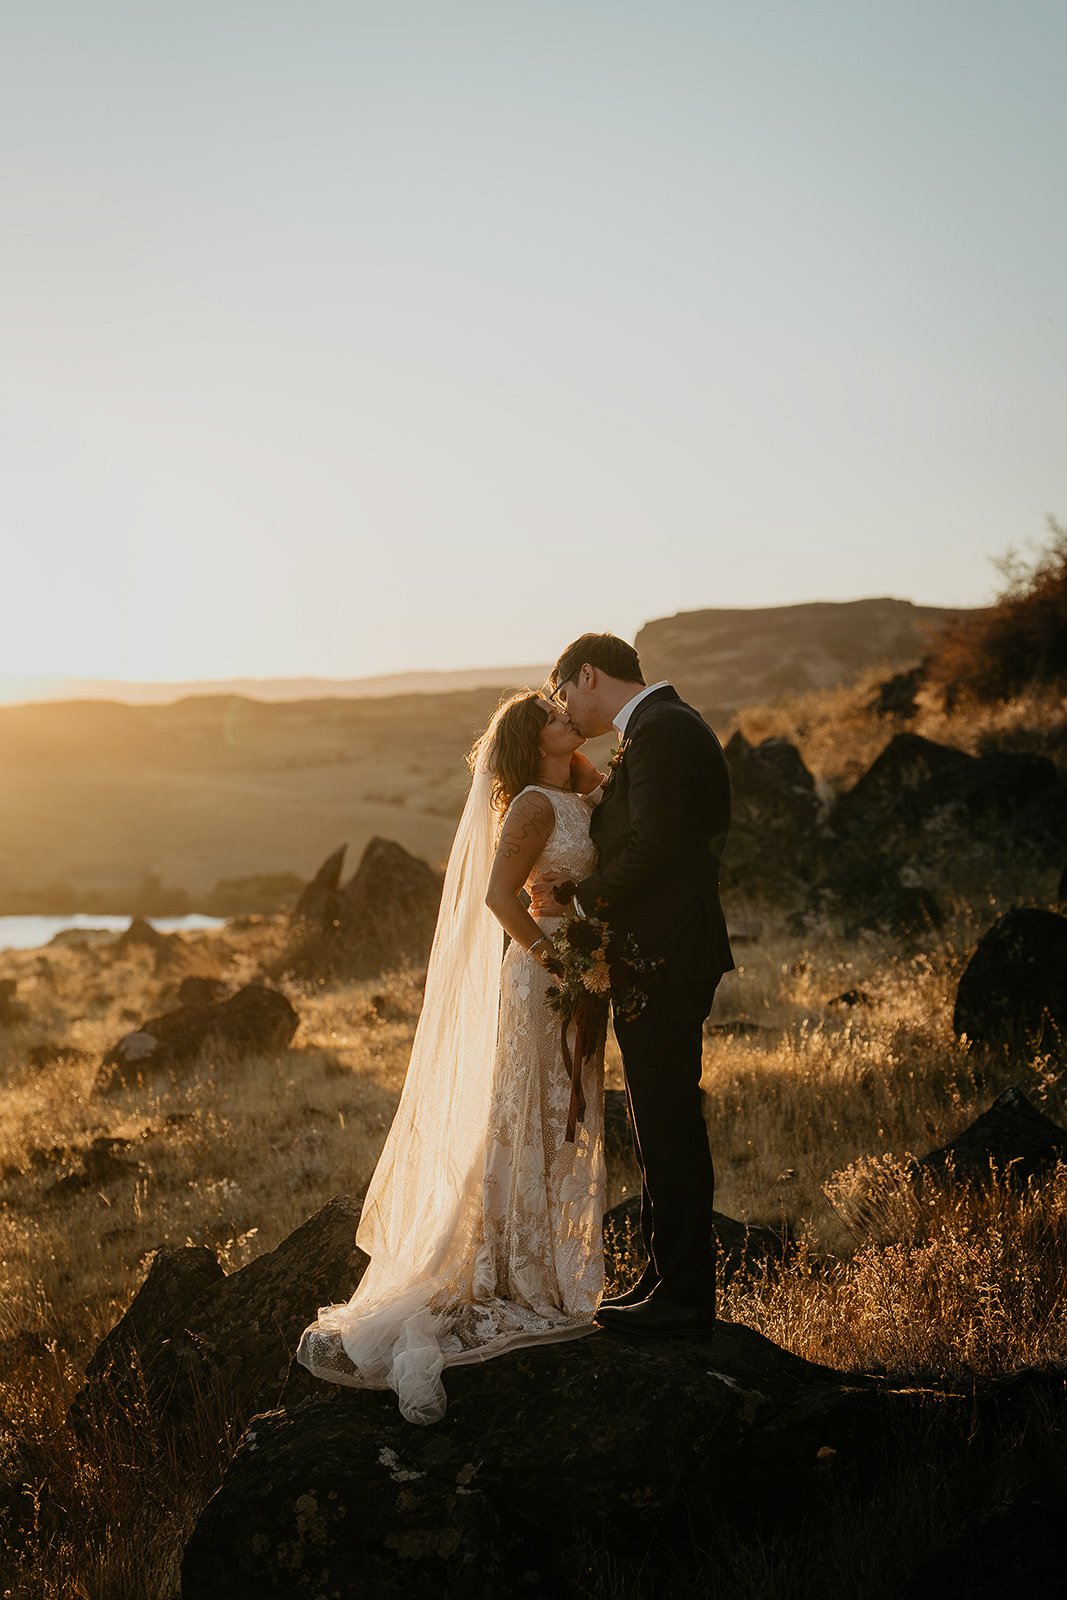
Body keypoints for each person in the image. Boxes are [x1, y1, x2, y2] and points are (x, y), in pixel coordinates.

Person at [296, 691, 608, 1424]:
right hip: (543, 973)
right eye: (556, 718)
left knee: (563, 1104)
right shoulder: (533, 803)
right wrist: (558, 963)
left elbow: (599, 799)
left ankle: (548, 1267)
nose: (571, 719)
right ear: (533, 743)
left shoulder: (572, 792)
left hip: (579, 965)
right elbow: (501, 899)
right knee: (525, 1107)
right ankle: (507, 1266)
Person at [541, 633, 732, 1339]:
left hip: (669, 958)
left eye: (563, 691)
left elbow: (652, 847)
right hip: (660, 955)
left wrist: (579, 900)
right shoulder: (658, 729)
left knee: (669, 1122)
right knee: (657, 1121)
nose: (563, 705)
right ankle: (663, 1277)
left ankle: (683, 1297)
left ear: (587, 674)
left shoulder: (662, 732)